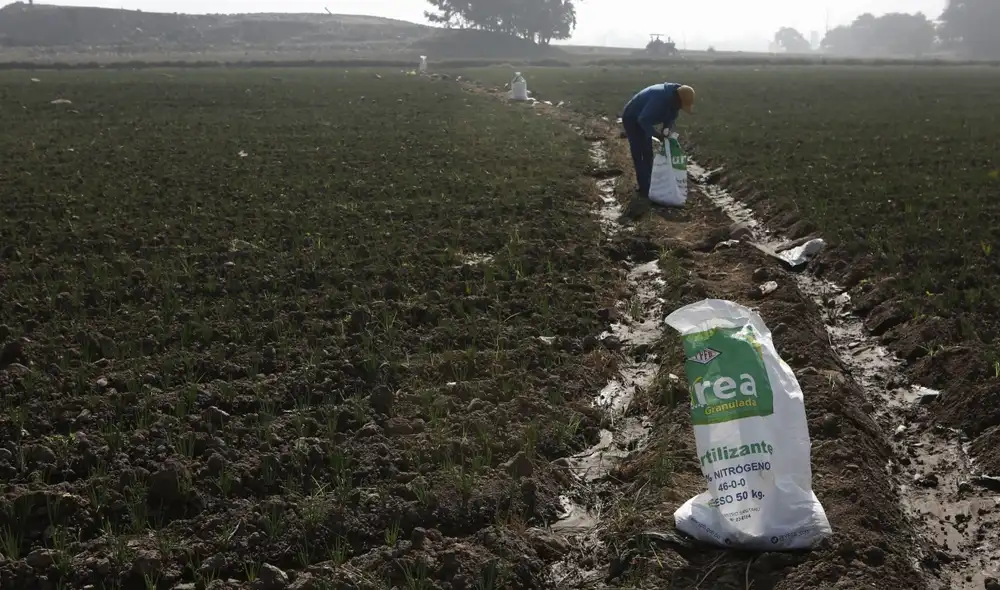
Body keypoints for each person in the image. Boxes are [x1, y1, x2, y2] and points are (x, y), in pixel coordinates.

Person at [621, 83, 696, 198]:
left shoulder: (675, 98)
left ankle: (650, 183)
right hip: (632, 118)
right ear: (677, 99)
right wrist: (656, 135)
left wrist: (666, 130)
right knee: (640, 151)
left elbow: (671, 117)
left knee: (647, 151)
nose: (680, 108)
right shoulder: (659, 98)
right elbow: (643, 120)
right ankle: (644, 189)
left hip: (643, 118)